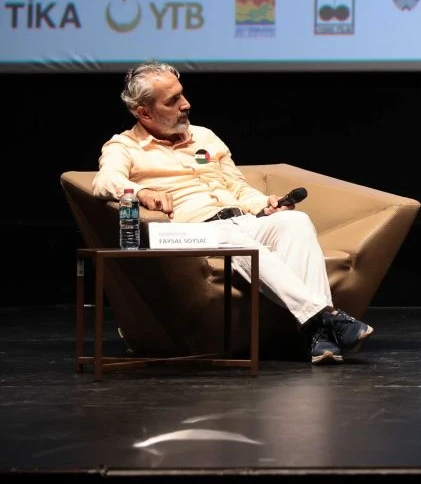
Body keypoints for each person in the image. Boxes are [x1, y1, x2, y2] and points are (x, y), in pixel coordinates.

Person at [90, 61, 374, 365]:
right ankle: (327, 318)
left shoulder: (205, 137)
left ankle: (319, 334)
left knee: (295, 221)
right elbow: (105, 182)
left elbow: (238, 187)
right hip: (187, 231)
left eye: (182, 95)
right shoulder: (124, 146)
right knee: (231, 236)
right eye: (172, 101)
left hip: (236, 221)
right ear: (143, 112)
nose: (186, 104)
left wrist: (264, 204)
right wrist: (143, 192)